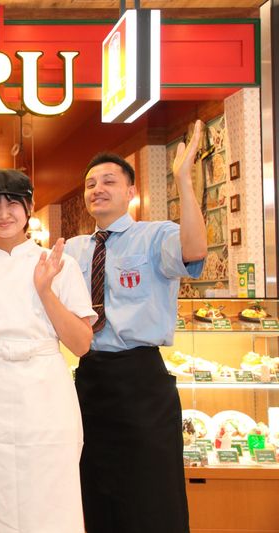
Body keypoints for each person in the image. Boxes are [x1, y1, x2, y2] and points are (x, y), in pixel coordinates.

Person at [64, 120, 207, 533]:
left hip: (142, 379)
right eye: (91, 184)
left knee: (151, 494)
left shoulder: (155, 235)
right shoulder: (73, 249)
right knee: (94, 491)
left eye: (109, 181)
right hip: (89, 380)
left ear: (130, 191)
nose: (98, 189)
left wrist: (183, 179)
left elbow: (195, 248)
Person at [0, 169, 96, 533]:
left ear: (28, 207)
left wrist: (45, 291)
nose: (3, 213)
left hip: (45, 390)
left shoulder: (59, 263)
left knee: (49, 491)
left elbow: (81, 344)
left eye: (12, 203)